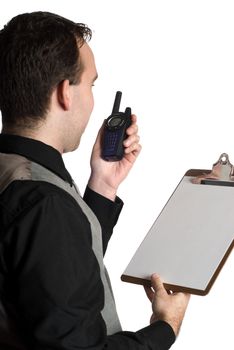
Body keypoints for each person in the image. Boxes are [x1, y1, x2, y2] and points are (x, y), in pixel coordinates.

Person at [0, 11, 190, 350]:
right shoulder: (45, 203)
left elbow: (53, 267)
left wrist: (102, 184)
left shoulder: (20, 179)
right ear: (65, 93)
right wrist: (165, 327)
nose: (91, 97)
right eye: (91, 83)